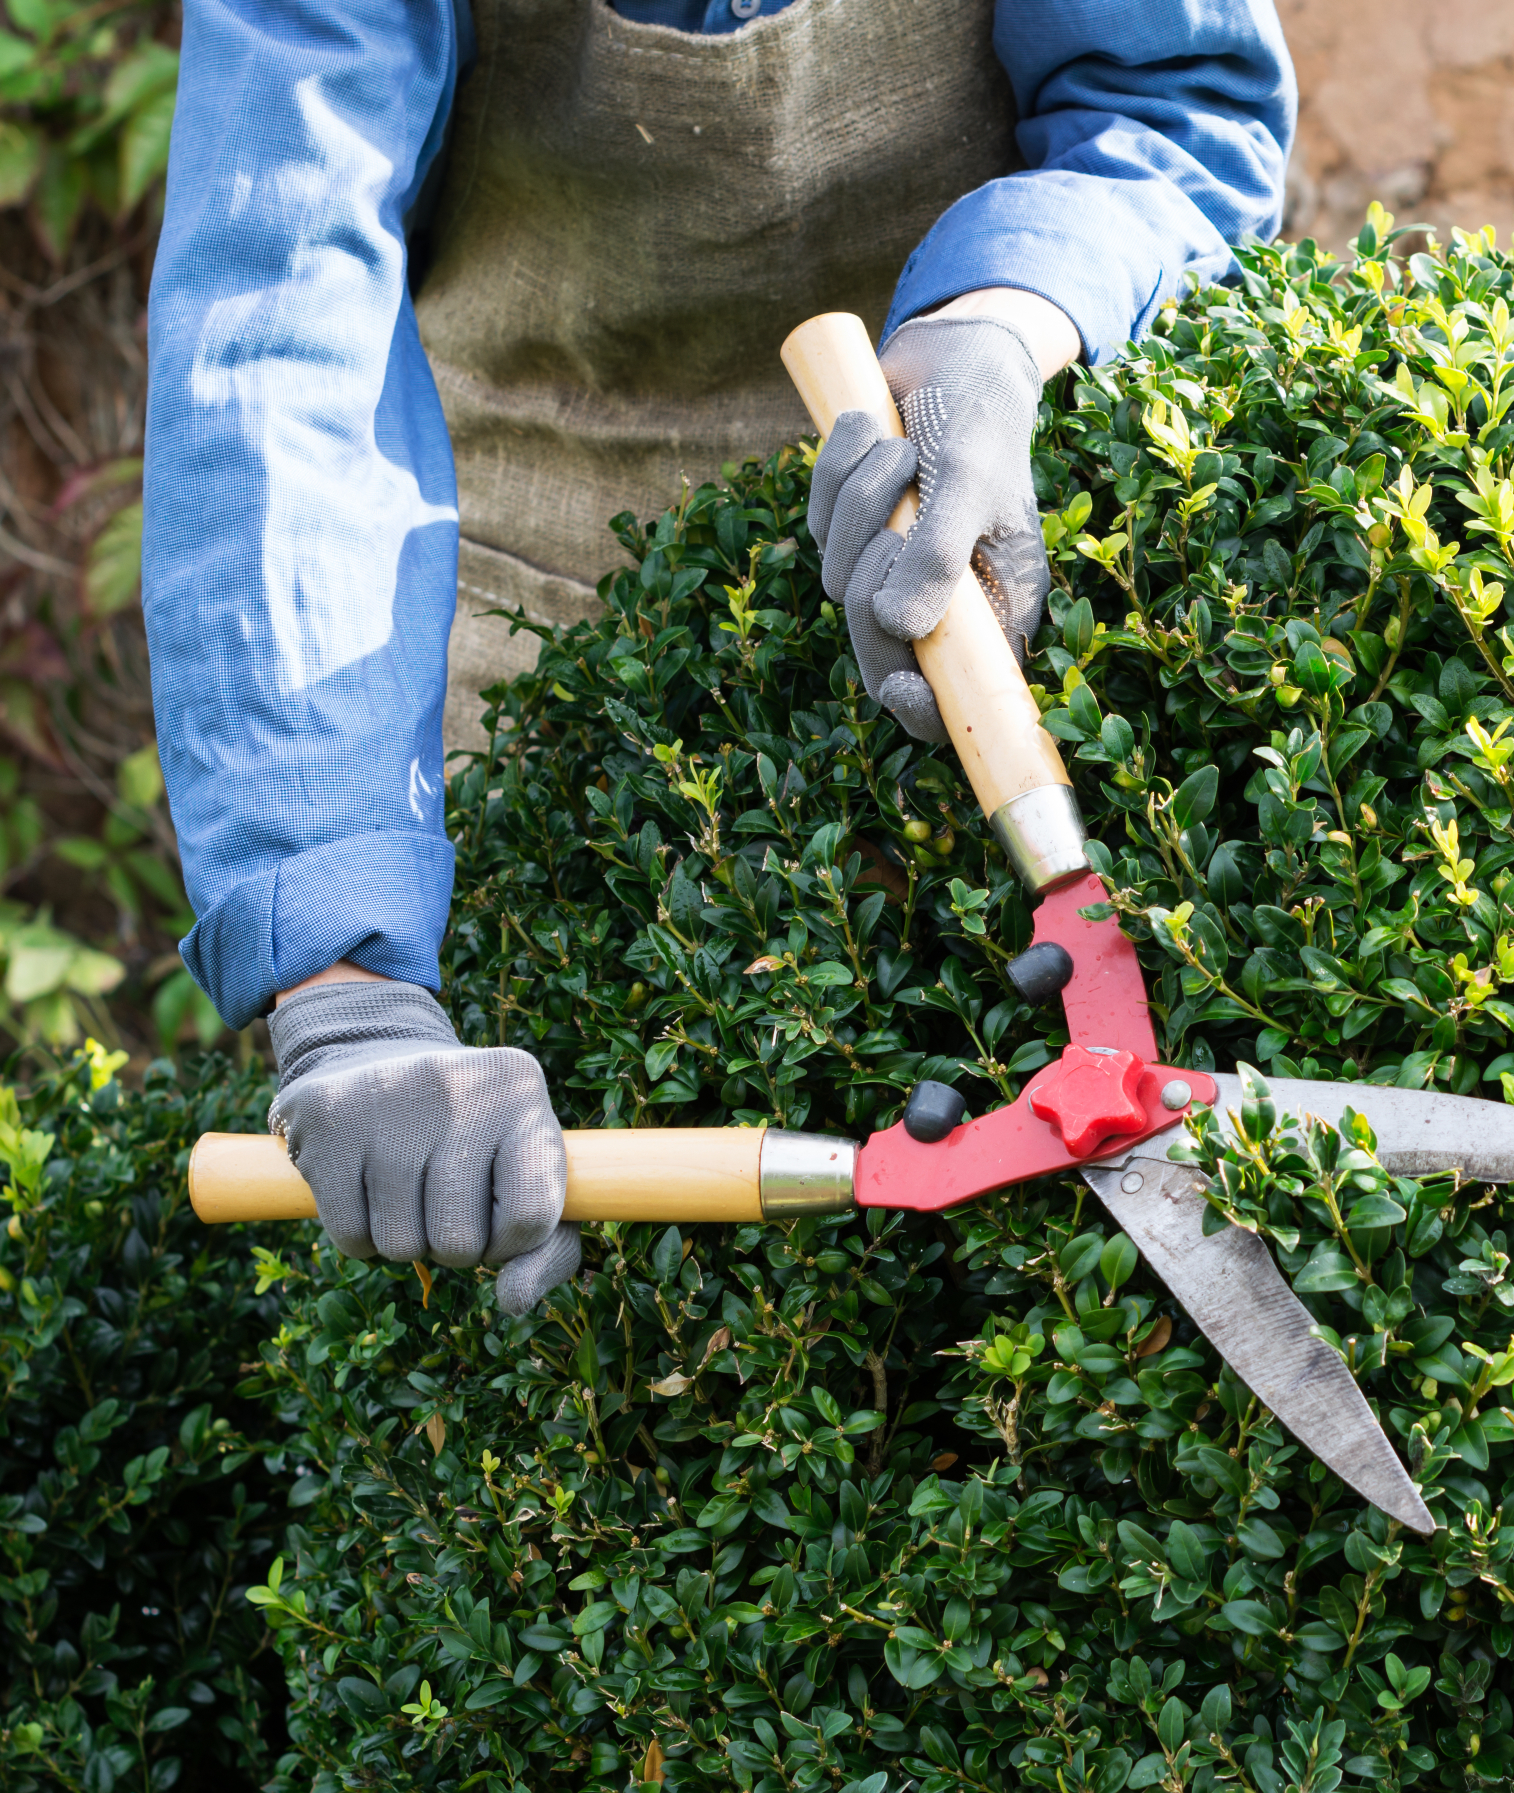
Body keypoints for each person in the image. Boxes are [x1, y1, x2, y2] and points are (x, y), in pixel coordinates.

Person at [143, 0, 1297, 1311]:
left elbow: (1175, 100)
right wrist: (344, 985)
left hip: (971, 524)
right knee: (567, 1314)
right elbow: (276, 306)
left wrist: (1004, 320)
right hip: (514, 592)